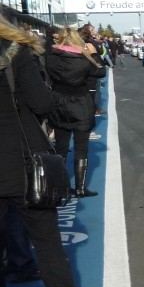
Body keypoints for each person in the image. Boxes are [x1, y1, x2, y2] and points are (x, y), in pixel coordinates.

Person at [0, 15, 99, 287]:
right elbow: (42, 103)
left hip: (17, 165)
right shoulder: (15, 51)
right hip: (24, 165)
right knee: (49, 246)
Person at [47, 28, 106, 197]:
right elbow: (101, 72)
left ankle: (59, 188)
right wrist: (94, 53)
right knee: (81, 148)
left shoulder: (51, 58)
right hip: (80, 104)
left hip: (58, 103)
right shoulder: (83, 60)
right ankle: (80, 188)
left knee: (61, 148)